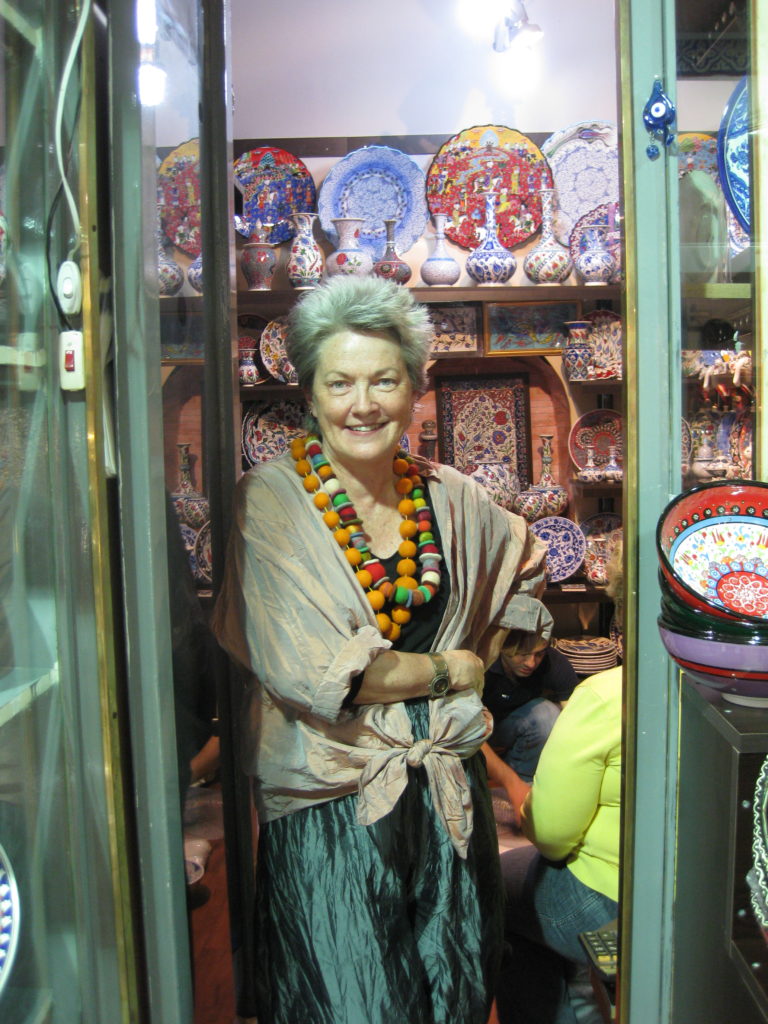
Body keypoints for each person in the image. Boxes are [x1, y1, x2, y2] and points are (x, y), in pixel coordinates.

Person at [212, 275, 551, 1024]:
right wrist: (447, 668)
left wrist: (486, 649)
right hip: (332, 807)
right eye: (340, 382)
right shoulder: (268, 502)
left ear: (415, 390)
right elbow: (317, 675)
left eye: (383, 380)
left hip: (448, 801)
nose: (362, 403)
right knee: (353, 1003)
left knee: (456, 994)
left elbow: (525, 560)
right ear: (311, 392)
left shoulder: (451, 495)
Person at [495, 547, 624, 1024]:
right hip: (715, 897)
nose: (530, 661)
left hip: (611, 897)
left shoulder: (609, 695)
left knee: (498, 891)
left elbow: (552, 837)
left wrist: (529, 802)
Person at [482, 627, 578, 785]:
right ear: (503, 648)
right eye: (522, 654)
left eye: (539, 654)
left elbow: (575, 719)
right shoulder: (484, 663)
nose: (531, 663)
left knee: (547, 714)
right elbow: (462, 727)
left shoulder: (553, 662)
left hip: (519, 727)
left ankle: (524, 781)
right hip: (480, 732)